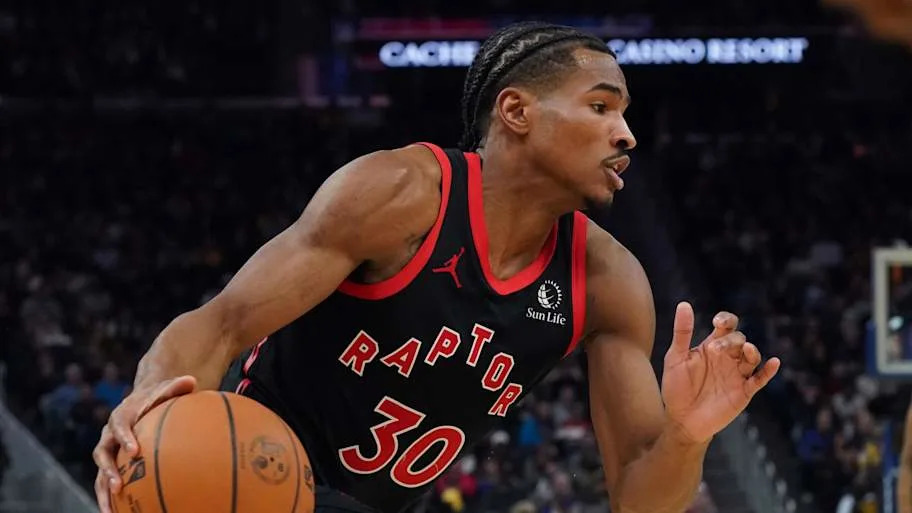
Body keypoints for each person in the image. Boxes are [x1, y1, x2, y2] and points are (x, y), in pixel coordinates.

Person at [93, 21, 780, 513]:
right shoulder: (399, 194)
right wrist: (145, 414)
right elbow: (217, 325)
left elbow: (638, 493)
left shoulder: (608, 281)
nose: (625, 133)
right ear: (516, 111)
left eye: (624, 114)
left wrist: (689, 435)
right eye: (601, 106)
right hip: (254, 473)